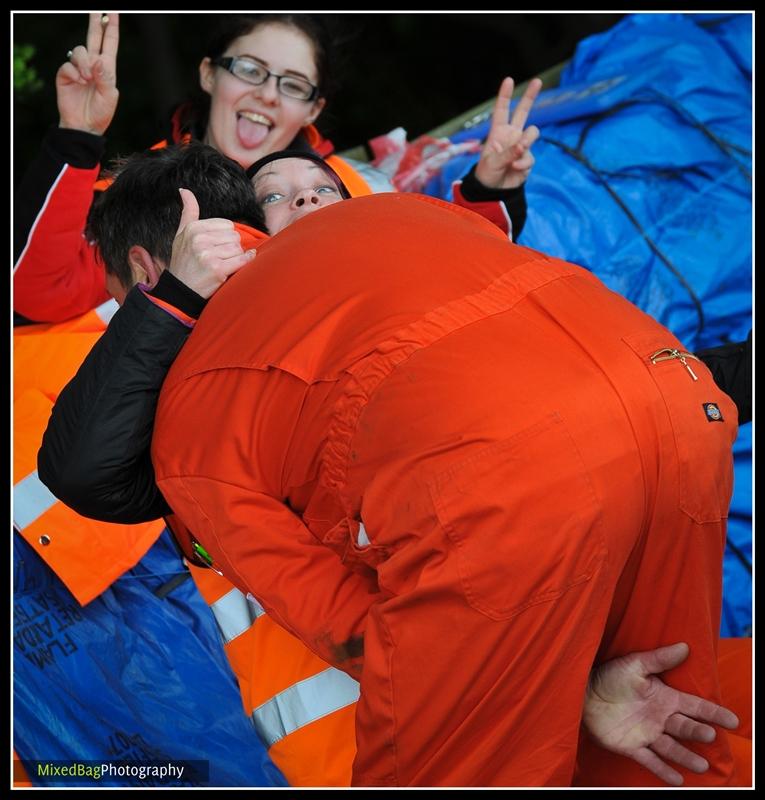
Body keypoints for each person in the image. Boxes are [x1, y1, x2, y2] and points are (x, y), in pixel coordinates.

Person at [41, 144, 744, 787]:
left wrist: (549, 681)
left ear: (140, 272)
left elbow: (349, 621)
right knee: (668, 742)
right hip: (679, 411)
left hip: (504, 504)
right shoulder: (411, 222)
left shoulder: (193, 417)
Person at [13, 12, 539, 324]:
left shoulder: (357, 191)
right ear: (208, 74)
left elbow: (446, 279)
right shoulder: (137, 189)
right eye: (250, 69)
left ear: (312, 109)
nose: (266, 93)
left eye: (291, 83)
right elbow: (35, 293)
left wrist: (489, 189)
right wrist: (77, 136)